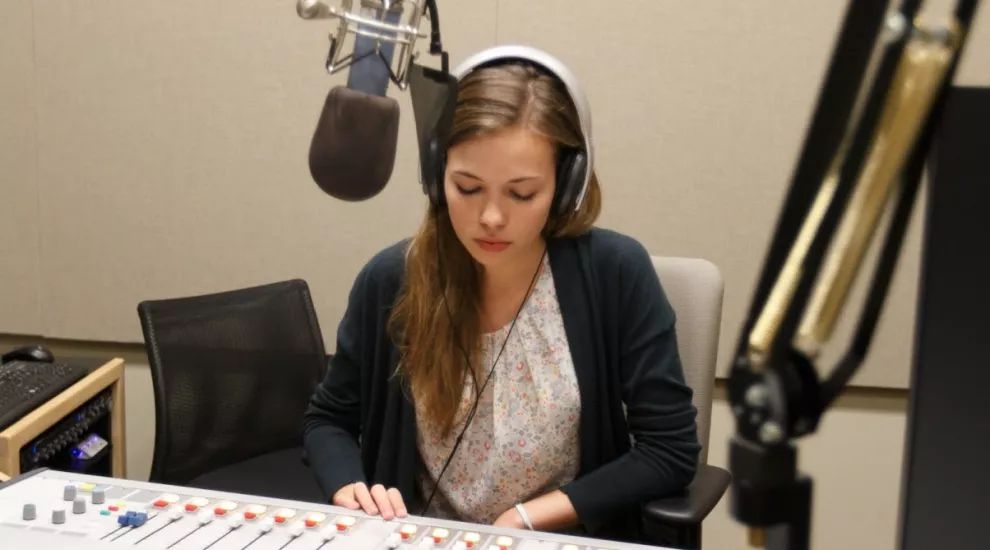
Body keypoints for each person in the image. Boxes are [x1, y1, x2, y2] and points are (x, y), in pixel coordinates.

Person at [302, 45, 700, 543]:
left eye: (521, 193)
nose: (491, 217)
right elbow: (328, 420)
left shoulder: (615, 272)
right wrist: (349, 487)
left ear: (567, 184)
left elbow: (670, 450)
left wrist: (528, 518)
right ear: (434, 176)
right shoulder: (390, 280)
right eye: (468, 188)